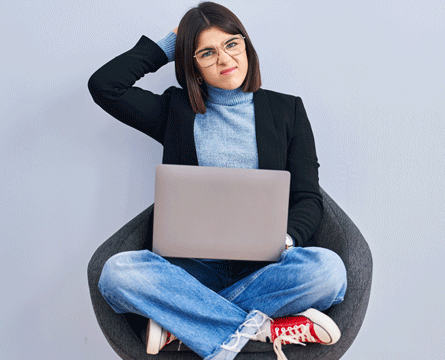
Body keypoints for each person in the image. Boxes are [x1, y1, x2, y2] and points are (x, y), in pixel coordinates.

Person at [87, 2, 347, 360]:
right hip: (190, 271)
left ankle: (182, 322)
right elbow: (105, 87)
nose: (224, 60)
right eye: (207, 53)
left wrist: (283, 240)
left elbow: (307, 197)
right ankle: (265, 329)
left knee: (329, 272)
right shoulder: (175, 111)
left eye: (231, 45)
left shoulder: (287, 111)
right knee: (116, 274)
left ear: (246, 46)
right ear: (191, 65)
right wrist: (169, 44)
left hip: (265, 269)